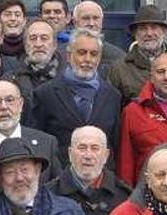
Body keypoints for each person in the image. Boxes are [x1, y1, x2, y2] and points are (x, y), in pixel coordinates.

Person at [30, 28, 123, 165]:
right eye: (81, 53)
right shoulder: (45, 94)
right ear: (68, 56)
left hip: (100, 179)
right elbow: (37, 142)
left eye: (94, 54)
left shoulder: (112, 96)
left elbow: (114, 144)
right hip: (59, 179)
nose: (88, 59)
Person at [116, 51, 167, 185]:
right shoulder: (133, 112)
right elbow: (126, 163)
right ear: (151, 77)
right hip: (147, 193)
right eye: (160, 72)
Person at [108, 4, 167, 102]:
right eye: (143, 28)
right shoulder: (119, 69)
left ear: (164, 31)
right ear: (135, 33)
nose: (149, 33)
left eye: (154, 27)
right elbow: (111, 107)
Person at [9, 19, 63, 103]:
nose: (38, 44)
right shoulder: (10, 80)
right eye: (33, 38)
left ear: (54, 45)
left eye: (44, 38)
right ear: (25, 45)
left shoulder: (70, 78)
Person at [71, 0, 127, 70]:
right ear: (75, 22)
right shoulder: (61, 55)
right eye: (85, 18)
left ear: (101, 21)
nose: (91, 23)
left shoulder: (118, 57)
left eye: (95, 18)